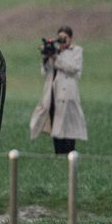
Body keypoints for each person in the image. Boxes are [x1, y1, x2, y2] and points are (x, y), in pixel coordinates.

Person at [29, 25, 87, 154]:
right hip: (53, 94)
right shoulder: (55, 51)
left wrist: (56, 58)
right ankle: (59, 153)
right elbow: (45, 72)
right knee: (55, 124)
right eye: (60, 38)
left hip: (68, 95)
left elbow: (73, 68)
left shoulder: (76, 51)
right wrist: (46, 57)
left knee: (69, 127)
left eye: (65, 38)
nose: (62, 40)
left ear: (70, 38)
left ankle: (70, 153)